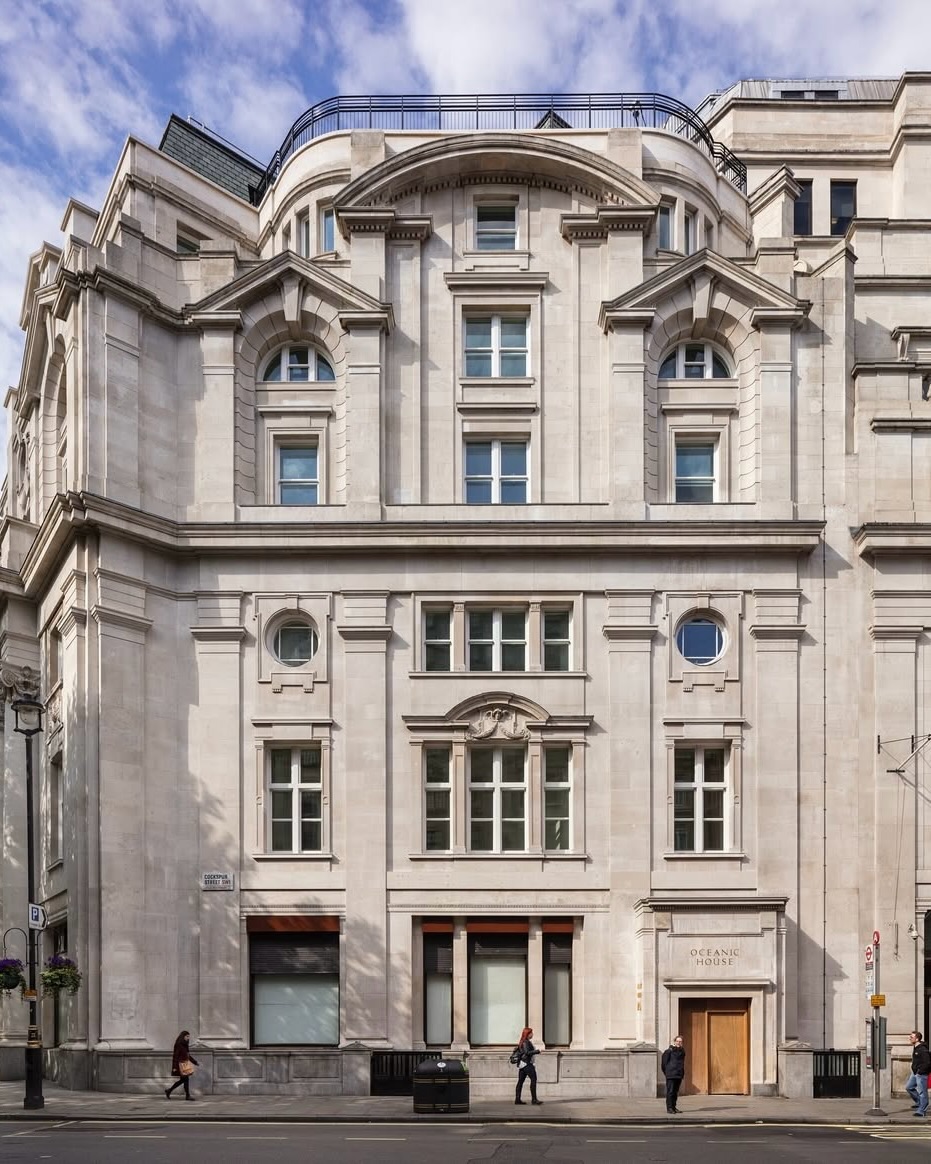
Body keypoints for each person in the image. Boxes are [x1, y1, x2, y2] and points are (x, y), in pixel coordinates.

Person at [165, 1030, 199, 1101]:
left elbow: (188, 1056)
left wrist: (195, 1062)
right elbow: (175, 1056)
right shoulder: (179, 1044)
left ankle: (169, 1091)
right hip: (180, 1065)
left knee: (183, 1080)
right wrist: (174, 1067)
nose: (188, 1038)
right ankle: (187, 1096)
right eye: (187, 1036)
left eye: (189, 1036)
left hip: (185, 1064)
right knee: (185, 1079)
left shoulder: (185, 1045)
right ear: (183, 1036)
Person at [514, 1026, 543, 1105]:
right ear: (528, 1034)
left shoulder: (523, 1041)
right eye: (531, 1033)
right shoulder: (525, 1042)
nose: (532, 1034)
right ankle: (534, 1100)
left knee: (520, 1082)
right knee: (533, 1079)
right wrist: (537, 1051)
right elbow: (527, 1052)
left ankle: (517, 1099)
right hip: (527, 1064)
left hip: (522, 1064)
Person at [906, 1030, 931, 1117]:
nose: (909, 1038)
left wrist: (920, 1072)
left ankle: (921, 1110)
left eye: (911, 1037)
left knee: (922, 1092)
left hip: (921, 1073)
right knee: (909, 1087)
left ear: (917, 1039)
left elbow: (927, 1062)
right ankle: (919, 1102)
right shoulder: (916, 1047)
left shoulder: (923, 1049)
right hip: (915, 1072)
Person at [661, 1034, 686, 1113]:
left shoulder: (682, 1051)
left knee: (675, 1092)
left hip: (678, 1074)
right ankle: (669, 1108)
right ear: (674, 1042)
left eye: (680, 1041)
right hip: (671, 1075)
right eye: (677, 1041)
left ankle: (674, 1107)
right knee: (670, 1092)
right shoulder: (668, 1051)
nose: (679, 1043)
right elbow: (663, 1064)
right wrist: (667, 1073)